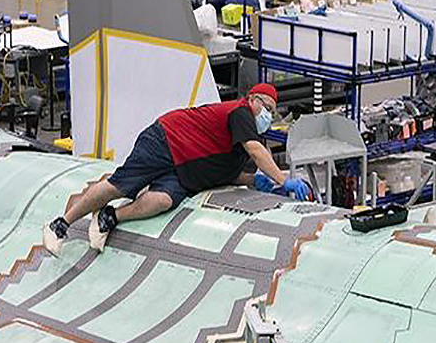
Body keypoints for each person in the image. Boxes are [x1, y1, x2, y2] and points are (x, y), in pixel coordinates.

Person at [43, 83, 311, 254]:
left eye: (272, 112)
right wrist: (282, 179)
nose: (268, 116)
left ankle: (110, 217)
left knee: (162, 201)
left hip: (185, 169)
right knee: (120, 186)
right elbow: (256, 151)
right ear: (252, 99)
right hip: (166, 141)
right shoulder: (240, 113)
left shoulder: (244, 139)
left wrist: (254, 181)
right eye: (267, 108)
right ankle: (60, 225)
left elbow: (229, 172)